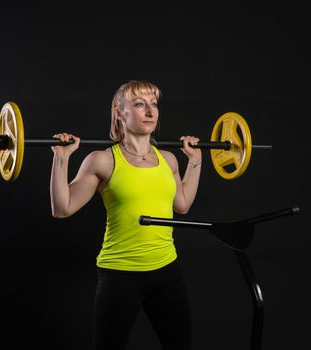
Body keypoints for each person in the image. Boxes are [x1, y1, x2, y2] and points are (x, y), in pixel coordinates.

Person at [50, 80, 202, 350]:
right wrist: (61, 158)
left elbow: (182, 204)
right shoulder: (103, 161)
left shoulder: (168, 159)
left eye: (154, 104)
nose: (150, 111)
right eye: (139, 104)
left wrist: (196, 161)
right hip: (120, 274)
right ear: (120, 112)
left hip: (166, 270)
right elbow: (62, 208)